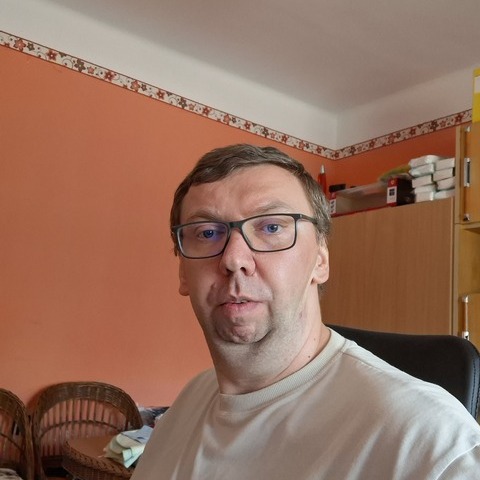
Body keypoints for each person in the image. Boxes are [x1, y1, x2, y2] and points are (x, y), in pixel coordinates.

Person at [132, 144, 480, 479]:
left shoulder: (429, 442)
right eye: (207, 232)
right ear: (183, 272)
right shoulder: (188, 403)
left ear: (320, 260)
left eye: (271, 227)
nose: (234, 259)